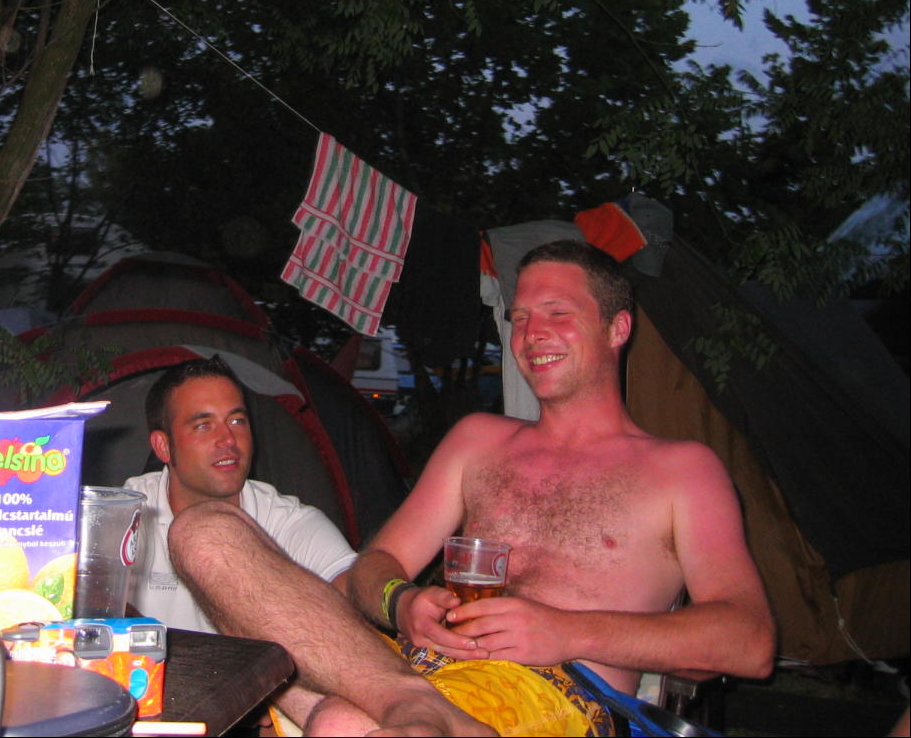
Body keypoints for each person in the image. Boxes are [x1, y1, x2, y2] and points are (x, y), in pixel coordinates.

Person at [167, 240, 775, 736]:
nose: (531, 333)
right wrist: (401, 603)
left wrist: (566, 631)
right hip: (407, 671)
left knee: (342, 723)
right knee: (205, 532)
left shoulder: (681, 470)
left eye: (558, 313)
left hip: (556, 696)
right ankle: (415, 706)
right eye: (520, 318)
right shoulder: (478, 441)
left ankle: (413, 711)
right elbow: (374, 567)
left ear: (617, 328)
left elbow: (749, 640)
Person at [121, 356, 356, 633]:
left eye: (237, 421)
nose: (229, 439)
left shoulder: (284, 520)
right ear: (163, 446)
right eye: (203, 425)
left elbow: (352, 588)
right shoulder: (124, 515)